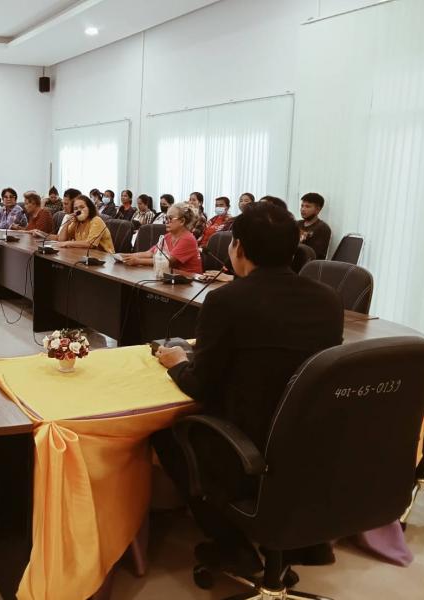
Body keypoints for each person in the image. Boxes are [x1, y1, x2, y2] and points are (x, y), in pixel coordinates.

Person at [151, 202, 344, 576]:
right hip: (310, 444)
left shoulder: (226, 300)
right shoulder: (328, 299)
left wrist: (177, 362)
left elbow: (200, 385)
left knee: (167, 434)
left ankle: (231, 545)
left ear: (237, 247)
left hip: (248, 445)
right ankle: (294, 540)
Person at [120, 202, 203, 273]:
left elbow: (168, 261)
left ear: (182, 221)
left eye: (170, 218)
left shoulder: (188, 239)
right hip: (173, 277)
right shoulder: (168, 236)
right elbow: (150, 253)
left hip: (189, 282)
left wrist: (138, 261)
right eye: (166, 218)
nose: (166, 221)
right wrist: (126, 256)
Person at [297, 192, 332, 260]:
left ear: (318, 209)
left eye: (307, 206)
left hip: (309, 264)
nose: (303, 209)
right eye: (302, 206)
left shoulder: (322, 228)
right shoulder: (297, 224)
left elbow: (314, 254)